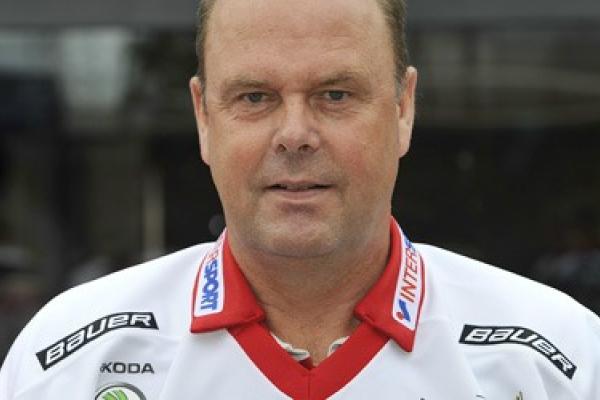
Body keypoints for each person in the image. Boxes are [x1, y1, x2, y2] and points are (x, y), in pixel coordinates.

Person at [1, 0, 599, 398]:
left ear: (403, 108)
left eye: (335, 95)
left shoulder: (560, 361)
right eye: (255, 97)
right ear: (204, 118)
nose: (294, 135)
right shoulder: (69, 363)